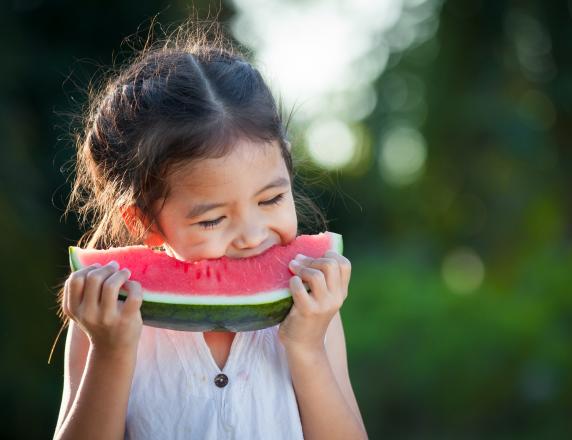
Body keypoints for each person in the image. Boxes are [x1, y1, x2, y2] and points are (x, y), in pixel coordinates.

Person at [53, 21, 367, 440]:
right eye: (213, 220)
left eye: (271, 199)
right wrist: (110, 352)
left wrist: (307, 347)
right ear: (144, 221)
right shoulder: (105, 316)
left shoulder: (313, 308)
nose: (253, 235)